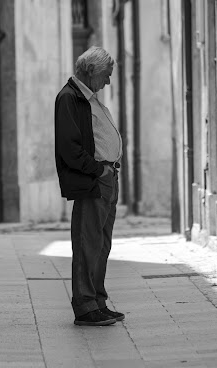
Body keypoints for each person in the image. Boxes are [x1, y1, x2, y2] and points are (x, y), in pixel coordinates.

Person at [54, 46, 124, 326]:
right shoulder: (69, 98)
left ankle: (98, 301)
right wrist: (99, 170)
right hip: (93, 181)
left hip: (107, 180)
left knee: (101, 244)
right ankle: (84, 307)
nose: (108, 82)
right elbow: (69, 147)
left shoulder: (88, 97)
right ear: (92, 72)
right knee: (87, 245)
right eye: (106, 75)